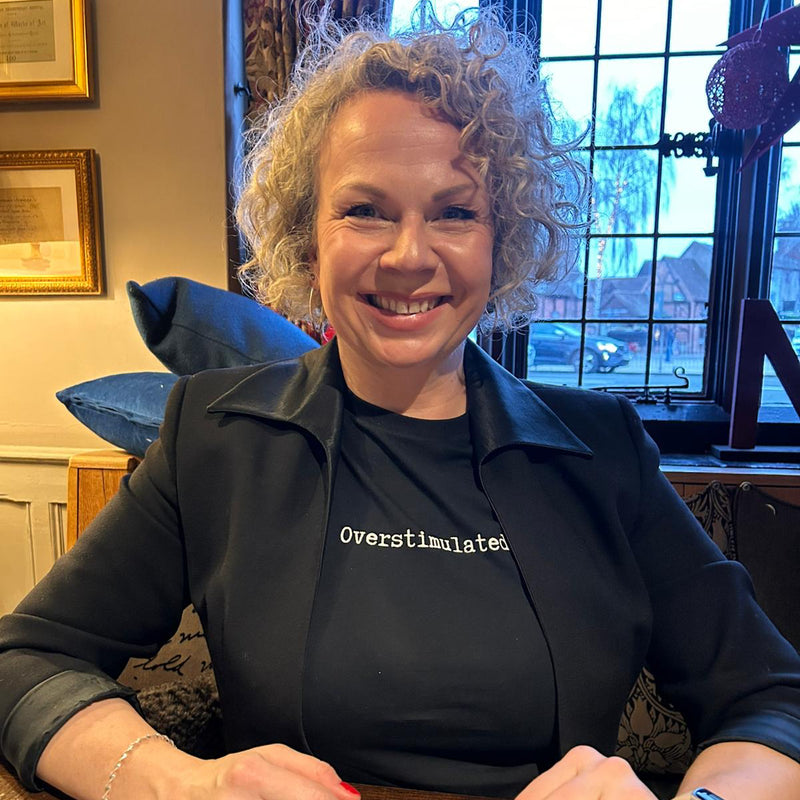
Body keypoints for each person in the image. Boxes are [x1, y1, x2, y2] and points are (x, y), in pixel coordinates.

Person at [1, 6, 800, 800]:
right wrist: (174, 783)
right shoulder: (214, 438)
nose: (409, 256)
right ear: (309, 240)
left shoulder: (604, 453)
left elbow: (775, 700)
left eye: (455, 212)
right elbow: (23, 660)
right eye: (365, 210)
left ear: (503, 240)